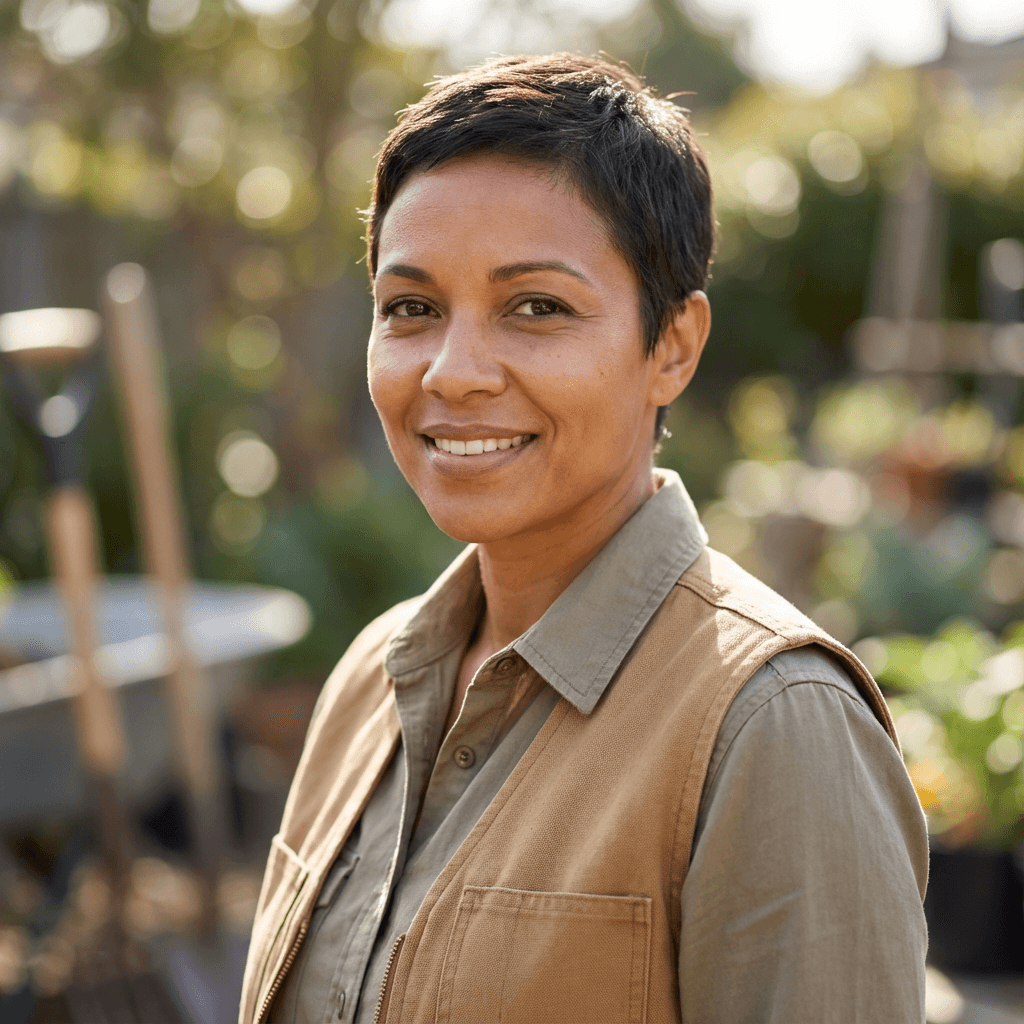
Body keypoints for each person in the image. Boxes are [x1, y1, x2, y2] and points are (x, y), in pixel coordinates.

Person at [239, 53, 928, 1024]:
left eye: (536, 307)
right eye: (412, 308)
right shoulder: (370, 682)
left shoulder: (773, 727)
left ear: (671, 346)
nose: (454, 371)